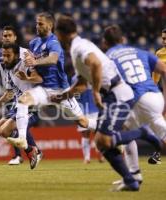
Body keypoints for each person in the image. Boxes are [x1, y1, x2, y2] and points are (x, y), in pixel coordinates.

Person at [52, 15, 162, 191]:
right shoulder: (79, 46)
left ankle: (141, 133)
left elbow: (95, 64)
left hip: (117, 94)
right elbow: (81, 82)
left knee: (104, 140)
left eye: (55, 33)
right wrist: (63, 96)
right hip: (113, 95)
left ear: (60, 33)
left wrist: (95, 91)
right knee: (102, 142)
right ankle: (131, 180)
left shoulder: (79, 47)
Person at [7, 12, 97, 149]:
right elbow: (34, 68)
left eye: (40, 23)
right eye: (36, 23)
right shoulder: (33, 43)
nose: (37, 26)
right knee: (23, 100)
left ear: (50, 25)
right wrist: (29, 76)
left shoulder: (54, 42)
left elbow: (53, 59)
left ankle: (105, 127)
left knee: (83, 122)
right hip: (43, 89)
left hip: (61, 90)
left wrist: (35, 62)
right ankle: (22, 139)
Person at [102, 25, 166, 184]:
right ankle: (134, 173)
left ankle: (134, 172)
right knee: (135, 127)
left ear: (105, 42)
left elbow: (106, 82)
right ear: (122, 40)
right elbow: (163, 69)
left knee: (123, 132)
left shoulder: (108, 56)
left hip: (137, 98)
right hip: (155, 96)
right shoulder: (140, 51)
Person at [0, 25, 31, 165]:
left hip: (23, 93)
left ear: (15, 37)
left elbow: (34, 71)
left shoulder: (25, 53)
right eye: (5, 35)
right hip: (9, 91)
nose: (7, 38)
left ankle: (26, 153)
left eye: (9, 35)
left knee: (14, 124)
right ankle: (21, 154)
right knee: (12, 126)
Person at [72, 76, 103, 164]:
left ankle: (101, 155)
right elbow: (74, 95)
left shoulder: (94, 75)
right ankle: (87, 157)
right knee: (85, 135)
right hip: (82, 110)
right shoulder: (75, 78)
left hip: (95, 109)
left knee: (98, 134)